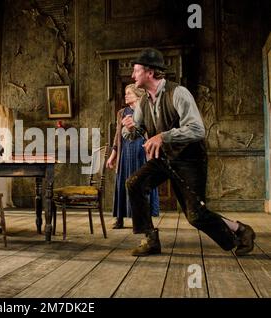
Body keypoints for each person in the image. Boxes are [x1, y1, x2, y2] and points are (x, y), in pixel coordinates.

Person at [122, 48, 255, 256]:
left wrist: (163, 136)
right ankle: (150, 238)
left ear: (149, 72)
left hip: (189, 159)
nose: (132, 75)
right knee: (134, 183)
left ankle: (241, 231)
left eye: (136, 71)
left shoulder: (178, 93)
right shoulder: (143, 102)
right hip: (164, 159)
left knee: (196, 216)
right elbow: (133, 133)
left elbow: (197, 129)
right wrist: (128, 128)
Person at [106, 84, 159, 229]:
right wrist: (113, 156)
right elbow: (118, 136)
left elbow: (152, 131)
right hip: (125, 152)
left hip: (141, 151)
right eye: (125, 93)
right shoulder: (122, 112)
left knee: (142, 184)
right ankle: (119, 218)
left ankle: (144, 220)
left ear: (137, 95)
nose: (126, 96)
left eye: (128, 93)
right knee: (122, 183)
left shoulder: (146, 109)